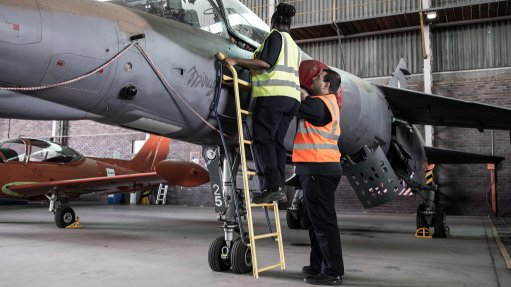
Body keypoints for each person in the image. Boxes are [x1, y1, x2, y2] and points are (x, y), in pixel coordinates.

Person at [223, 3, 301, 203]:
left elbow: (266, 63)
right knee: (277, 143)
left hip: (272, 96)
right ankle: (279, 187)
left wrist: (236, 61)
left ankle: (271, 187)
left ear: (273, 23)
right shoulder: (293, 44)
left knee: (262, 140)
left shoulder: (275, 36)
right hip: (291, 99)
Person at [293, 68, 344, 285]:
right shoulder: (324, 104)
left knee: (323, 223)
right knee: (315, 223)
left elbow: (298, 106)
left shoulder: (320, 105)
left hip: (319, 169)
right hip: (317, 169)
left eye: (317, 78)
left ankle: (332, 272)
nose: (312, 79)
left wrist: (300, 92)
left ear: (326, 85)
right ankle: (318, 266)